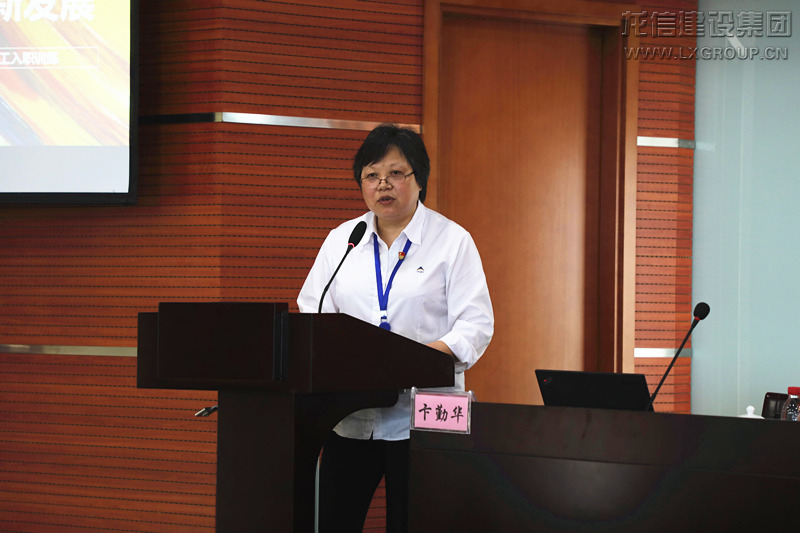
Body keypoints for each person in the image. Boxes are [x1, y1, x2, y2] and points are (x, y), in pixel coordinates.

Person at [297, 124, 493, 533]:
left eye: (395, 173)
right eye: (371, 175)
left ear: (420, 180)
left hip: (432, 416)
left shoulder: (453, 241)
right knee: (333, 522)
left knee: (424, 523)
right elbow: (313, 311)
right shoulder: (343, 240)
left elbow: (476, 324)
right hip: (351, 414)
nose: (382, 184)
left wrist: (413, 361)